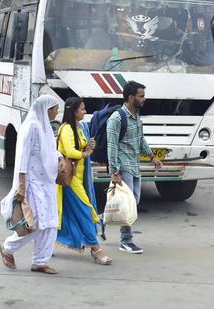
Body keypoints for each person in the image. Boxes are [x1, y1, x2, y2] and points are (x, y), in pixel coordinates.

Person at [0, 95, 65, 275]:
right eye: (54, 108)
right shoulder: (31, 127)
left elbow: (50, 149)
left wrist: (59, 158)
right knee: (34, 224)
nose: (56, 112)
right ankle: (7, 247)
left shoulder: (45, 127)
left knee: (50, 223)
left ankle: (40, 262)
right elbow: (22, 158)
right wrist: (21, 187)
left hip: (47, 184)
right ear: (45, 109)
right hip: (32, 185)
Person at [107, 81, 163, 254]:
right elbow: (112, 146)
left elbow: (140, 139)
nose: (144, 99)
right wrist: (114, 172)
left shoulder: (136, 115)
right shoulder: (117, 118)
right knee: (128, 206)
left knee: (133, 203)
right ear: (131, 98)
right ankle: (126, 241)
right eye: (141, 96)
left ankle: (97, 222)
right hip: (123, 166)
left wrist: (152, 157)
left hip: (134, 165)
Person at [56, 97, 113, 265]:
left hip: (78, 179)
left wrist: (89, 146)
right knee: (86, 212)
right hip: (71, 180)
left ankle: (44, 242)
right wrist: (85, 153)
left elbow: (79, 149)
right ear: (73, 111)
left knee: (70, 214)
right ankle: (96, 249)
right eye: (82, 109)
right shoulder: (66, 129)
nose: (85, 112)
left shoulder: (79, 128)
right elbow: (71, 152)